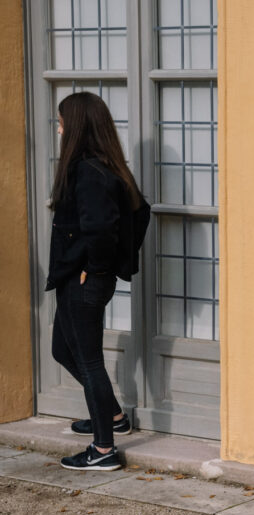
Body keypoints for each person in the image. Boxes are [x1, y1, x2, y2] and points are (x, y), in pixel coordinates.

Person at [47, 91, 146, 471]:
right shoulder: (105, 166)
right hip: (78, 278)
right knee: (62, 350)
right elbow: (138, 212)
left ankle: (103, 449)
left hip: (84, 280)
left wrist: (99, 268)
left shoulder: (90, 171)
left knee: (90, 363)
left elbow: (102, 228)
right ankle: (113, 417)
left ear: (77, 127)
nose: (58, 130)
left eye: (61, 123)